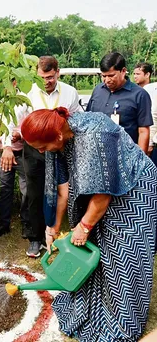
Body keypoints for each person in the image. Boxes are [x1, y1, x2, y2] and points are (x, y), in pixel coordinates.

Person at [21, 107, 157, 341]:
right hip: (100, 196)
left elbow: (103, 195)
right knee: (97, 249)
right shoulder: (58, 140)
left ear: (58, 136)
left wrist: (83, 227)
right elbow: (63, 191)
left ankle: (122, 321)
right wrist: (52, 227)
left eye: (42, 147)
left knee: (122, 255)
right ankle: (94, 308)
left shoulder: (95, 135)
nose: (42, 153)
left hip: (134, 190)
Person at [23, 55, 81, 257]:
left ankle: (64, 231)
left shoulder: (70, 92)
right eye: (42, 77)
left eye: (50, 77)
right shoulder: (27, 91)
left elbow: (76, 118)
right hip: (35, 149)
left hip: (59, 146)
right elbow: (18, 120)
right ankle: (35, 238)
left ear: (57, 72)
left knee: (63, 189)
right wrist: (6, 144)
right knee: (35, 192)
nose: (46, 81)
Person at [0, 85, 29, 238]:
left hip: (22, 152)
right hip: (3, 154)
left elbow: (30, 124)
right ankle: (4, 224)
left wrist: (20, 135)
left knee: (26, 190)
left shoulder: (23, 100)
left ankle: (26, 224)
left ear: (15, 82)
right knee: (5, 188)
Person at [87, 53, 152, 153]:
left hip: (125, 156)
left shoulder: (139, 95)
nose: (107, 80)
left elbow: (143, 131)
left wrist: (141, 161)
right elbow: (88, 121)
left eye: (111, 75)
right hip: (97, 155)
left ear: (123, 71)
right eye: (103, 76)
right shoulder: (98, 90)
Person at [134, 62, 157, 165]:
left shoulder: (151, 90)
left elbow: (153, 116)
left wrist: (150, 143)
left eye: (138, 74)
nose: (135, 76)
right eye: (134, 74)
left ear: (147, 74)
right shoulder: (133, 91)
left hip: (148, 137)